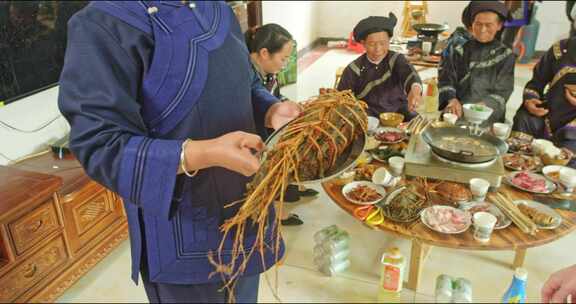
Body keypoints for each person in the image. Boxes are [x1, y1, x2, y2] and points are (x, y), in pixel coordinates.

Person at [58, 1, 301, 302]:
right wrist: (204, 152)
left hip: (248, 213)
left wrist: (269, 109)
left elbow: (246, 80)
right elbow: (100, 144)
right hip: (186, 238)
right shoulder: (104, 22)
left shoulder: (218, 9)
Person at [245, 23, 318, 226]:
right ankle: (271, 212)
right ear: (264, 53)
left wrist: (285, 104)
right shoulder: (244, 75)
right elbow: (256, 100)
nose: (285, 64)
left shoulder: (267, 72)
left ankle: (292, 189)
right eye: (283, 58)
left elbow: (273, 96)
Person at [438, 1, 515, 125]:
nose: (482, 29)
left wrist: (481, 106)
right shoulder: (458, 49)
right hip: (457, 108)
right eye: (478, 24)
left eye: (488, 25)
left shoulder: (506, 55)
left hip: (488, 111)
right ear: (471, 24)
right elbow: (446, 80)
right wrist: (451, 99)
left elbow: (503, 90)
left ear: (499, 25)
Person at [337, 13, 423, 120]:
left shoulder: (396, 59)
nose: (378, 49)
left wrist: (414, 91)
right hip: (368, 114)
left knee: (417, 122)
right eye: (372, 44)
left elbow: (410, 74)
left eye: (383, 43)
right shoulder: (353, 69)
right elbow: (341, 98)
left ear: (389, 41)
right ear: (363, 44)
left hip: (398, 109)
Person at [511, 36, 576, 167]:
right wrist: (530, 101)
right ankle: (517, 169)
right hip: (550, 113)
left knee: (568, 149)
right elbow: (536, 82)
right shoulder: (561, 48)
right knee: (524, 118)